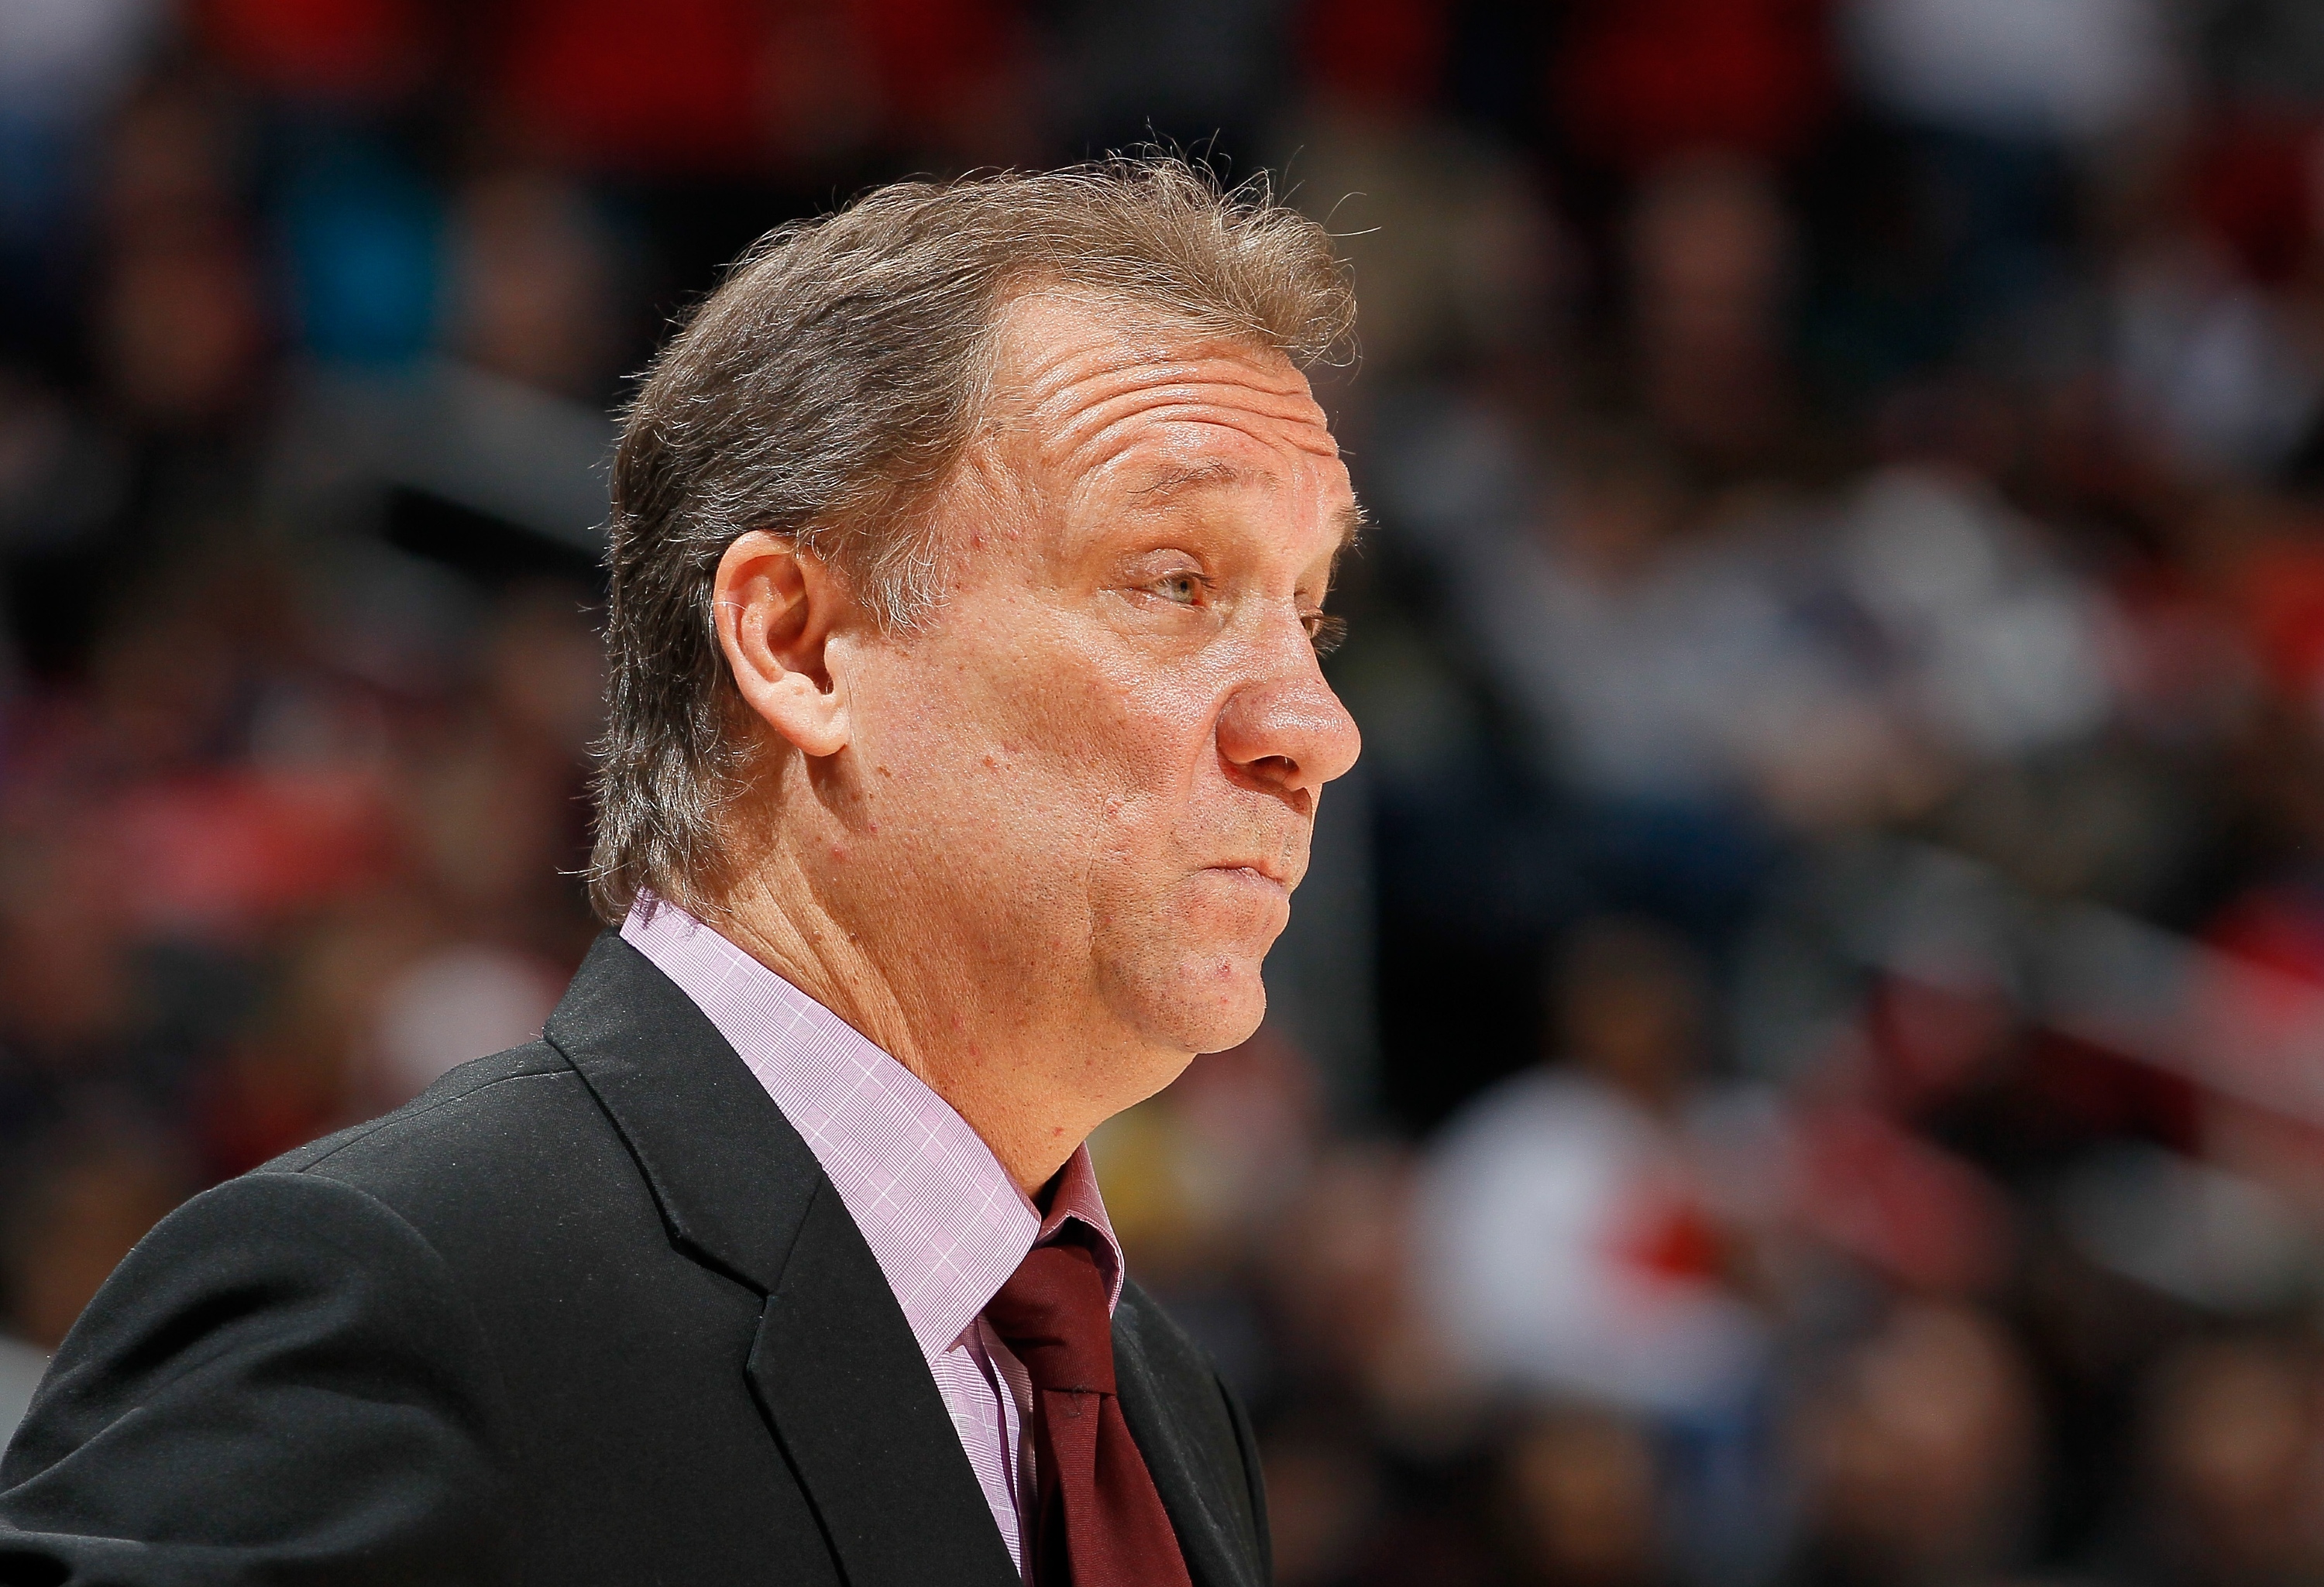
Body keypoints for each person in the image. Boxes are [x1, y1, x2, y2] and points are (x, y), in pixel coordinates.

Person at [0, 159, 1363, 1585]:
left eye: (1312, 615)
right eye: (1174, 581)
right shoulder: (386, 1301)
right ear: (797, 644)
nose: (1313, 728)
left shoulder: (1167, 1404)